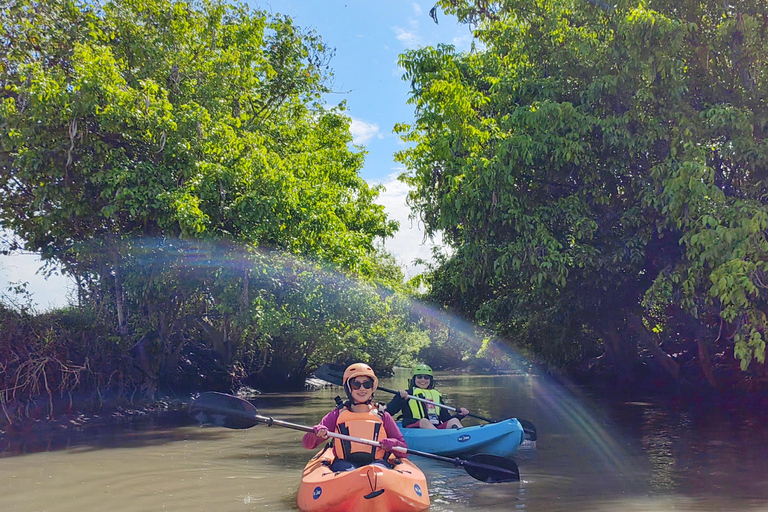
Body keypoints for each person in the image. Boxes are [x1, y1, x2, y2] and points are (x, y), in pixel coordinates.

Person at [302, 362, 408, 472]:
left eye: (367, 384)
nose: (362, 389)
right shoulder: (337, 414)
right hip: (344, 465)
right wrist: (316, 434)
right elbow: (308, 444)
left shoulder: (383, 415)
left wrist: (393, 443)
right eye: (356, 385)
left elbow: (404, 450)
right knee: (348, 471)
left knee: (377, 471)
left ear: (372, 387)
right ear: (348, 388)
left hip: (377, 465)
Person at [385, 364, 469, 429]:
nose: (423, 380)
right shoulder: (407, 394)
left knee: (454, 421)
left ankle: (462, 438)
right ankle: (442, 440)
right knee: (424, 421)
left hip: (433, 428)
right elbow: (389, 412)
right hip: (414, 427)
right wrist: (400, 398)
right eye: (419, 377)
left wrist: (460, 415)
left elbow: (446, 418)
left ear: (430, 380)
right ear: (414, 379)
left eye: (426, 377)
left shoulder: (436, 396)